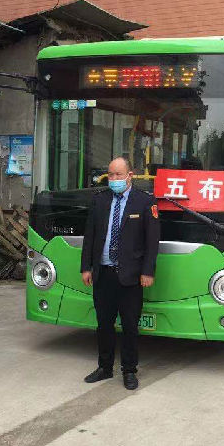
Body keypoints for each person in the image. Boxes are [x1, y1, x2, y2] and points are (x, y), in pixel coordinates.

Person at [81, 157, 160, 390]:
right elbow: (90, 236)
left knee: (130, 326)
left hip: (131, 276)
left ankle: (129, 370)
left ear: (130, 175)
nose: (114, 179)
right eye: (111, 174)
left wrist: (148, 271)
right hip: (103, 274)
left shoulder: (144, 201)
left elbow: (152, 241)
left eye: (118, 174)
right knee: (104, 324)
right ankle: (105, 367)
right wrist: (86, 267)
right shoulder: (100, 200)